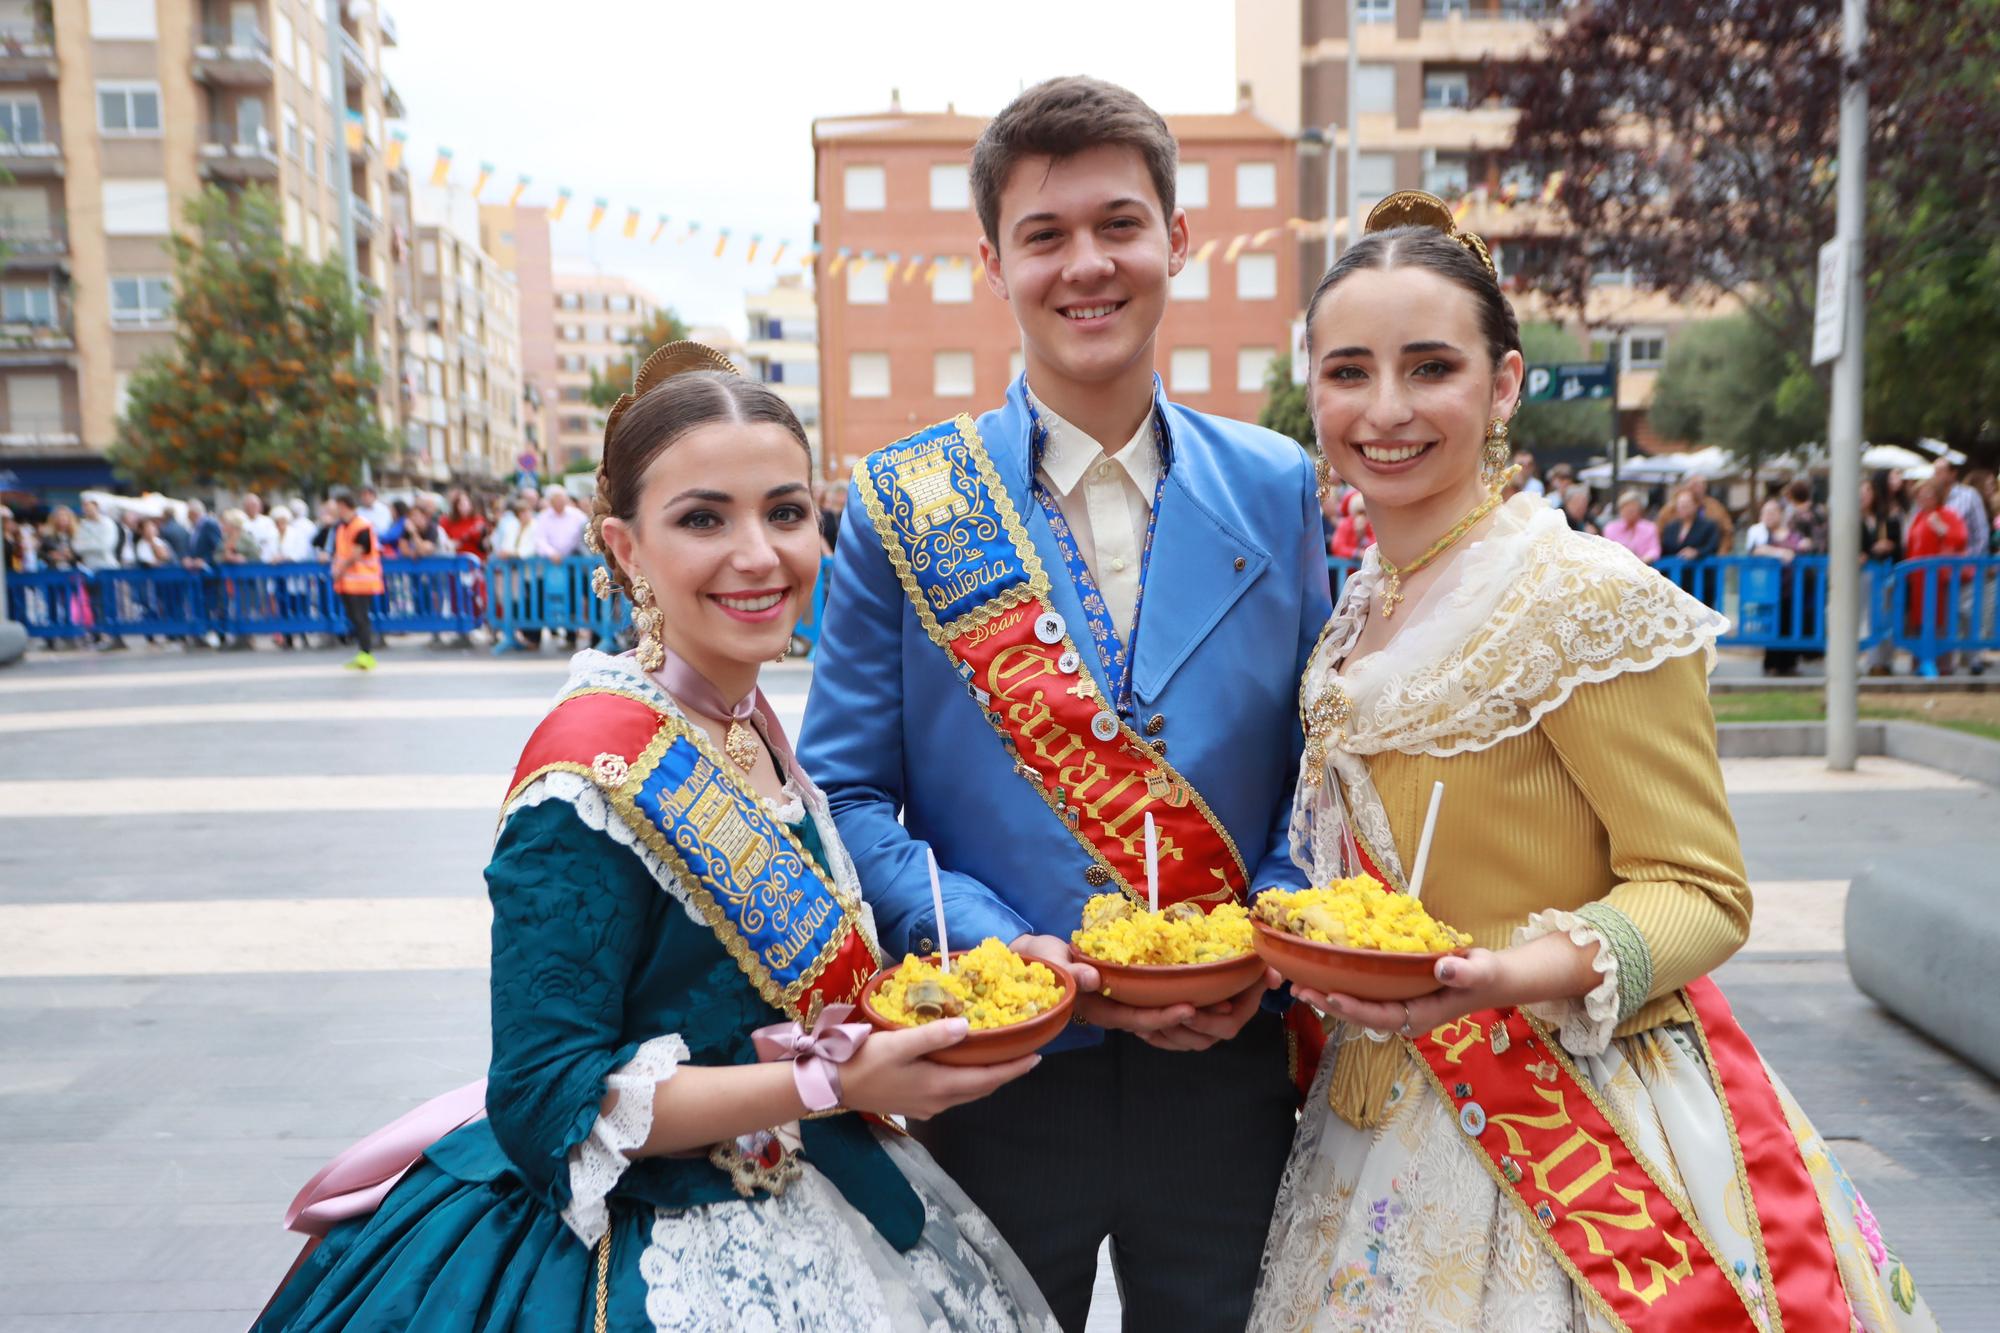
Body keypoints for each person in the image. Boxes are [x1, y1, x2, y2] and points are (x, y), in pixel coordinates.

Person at [254, 345, 1056, 1333]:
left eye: (786, 511)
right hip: (648, 1249)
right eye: (702, 518)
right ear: (626, 549)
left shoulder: (744, 720)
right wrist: (828, 1078)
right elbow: (546, 1094)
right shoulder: (582, 778)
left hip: (817, 1187)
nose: (758, 553)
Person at [1251, 190, 1934, 1332]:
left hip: (1578, 1124)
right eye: (1346, 371)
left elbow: (1700, 892)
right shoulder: (1355, 607)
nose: (1384, 410)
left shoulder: (1583, 595)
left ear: (1503, 384)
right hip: (1369, 1119)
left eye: (1429, 368)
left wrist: (1505, 973)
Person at [800, 77, 1329, 1333]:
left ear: (1176, 242)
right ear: (992, 261)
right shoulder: (903, 504)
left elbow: (1326, 764)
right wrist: (994, 942)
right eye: (1043, 235)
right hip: (995, 1062)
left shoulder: (1278, 486)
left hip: (1229, 1062)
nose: (1084, 265)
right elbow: (847, 794)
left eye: (1118, 224)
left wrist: (1256, 935)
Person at [1904, 475, 1969, 677]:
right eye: (1920, 495)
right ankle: (1919, 662)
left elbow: (1960, 538)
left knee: (1941, 619)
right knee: (1919, 620)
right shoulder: (1918, 517)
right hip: (1918, 579)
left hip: (1939, 578)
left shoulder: (1946, 514)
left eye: (1928, 495)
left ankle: (1942, 664)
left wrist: (1941, 529)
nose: (1924, 499)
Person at [1746, 496, 1811, 676]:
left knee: (1790, 622)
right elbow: (1755, 550)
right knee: (1772, 624)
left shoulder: (1792, 534)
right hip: (1770, 588)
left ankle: (1788, 664)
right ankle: (1771, 663)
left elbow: (1801, 547)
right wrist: (1779, 552)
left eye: (1772, 512)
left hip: (1791, 587)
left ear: (1781, 514)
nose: (1768, 516)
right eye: (1765, 512)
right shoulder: (1760, 533)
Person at [327, 489, 382, 672]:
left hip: (362, 579)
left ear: (343, 506)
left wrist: (339, 570)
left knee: (361, 618)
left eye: (336, 507)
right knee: (354, 618)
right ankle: (361, 653)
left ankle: (366, 654)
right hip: (347, 581)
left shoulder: (361, 525)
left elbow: (358, 552)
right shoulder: (342, 527)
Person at [1860, 473, 1903, 675]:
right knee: (1863, 618)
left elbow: (1897, 546)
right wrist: (1868, 552)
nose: (1863, 494)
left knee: (1882, 616)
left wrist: (1888, 546)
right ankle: (1866, 660)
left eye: (1868, 490)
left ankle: (1881, 661)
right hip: (1861, 577)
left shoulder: (1884, 519)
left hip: (1883, 574)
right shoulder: (1851, 520)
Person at [1659, 486, 1720, 560]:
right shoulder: (1670, 527)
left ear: (1696, 505)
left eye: (1686, 503)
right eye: (1680, 503)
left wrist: (1697, 552)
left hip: (1699, 569)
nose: (1682, 507)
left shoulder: (1708, 525)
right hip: (1674, 570)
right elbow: (1664, 550)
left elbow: (1712, 547)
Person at [1601, 488, 1661, 563]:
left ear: (1640, 510)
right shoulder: (1611, 528)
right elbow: (1606, 550)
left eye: (1633, 508)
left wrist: (1643, 560)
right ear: (1620, 510)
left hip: (1642, 567)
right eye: (1626, 508)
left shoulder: (1650, 528)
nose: (1630, 511)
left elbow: (1654, 550)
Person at [440, 488, 488, 558]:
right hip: (454, 561)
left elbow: (477, 532)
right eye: (460, 503)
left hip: (473, 561)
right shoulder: (447, 521)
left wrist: (460, 541)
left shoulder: (478, 520)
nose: (463, 506)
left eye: (466, 502)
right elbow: (440, 535)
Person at [1330, 493, 1374, 558]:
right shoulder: (1345, 524)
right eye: (1359, 512)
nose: (1361, 516)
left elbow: (1376, 547)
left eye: (1364, 513)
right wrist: (1356, 553)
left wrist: (1363, 538)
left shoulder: (1371, 525)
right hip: (1347, 566)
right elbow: (1337, 547)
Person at [243, 493, 281, 562]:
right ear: (245, 507)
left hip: (267, 561)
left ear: (260, 507)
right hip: (247, 562)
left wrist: (274, 555)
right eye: (249, 505)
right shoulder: (241, 522)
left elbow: (273, 540)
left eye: (255, 505)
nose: (252, 508)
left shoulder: (268, 522)